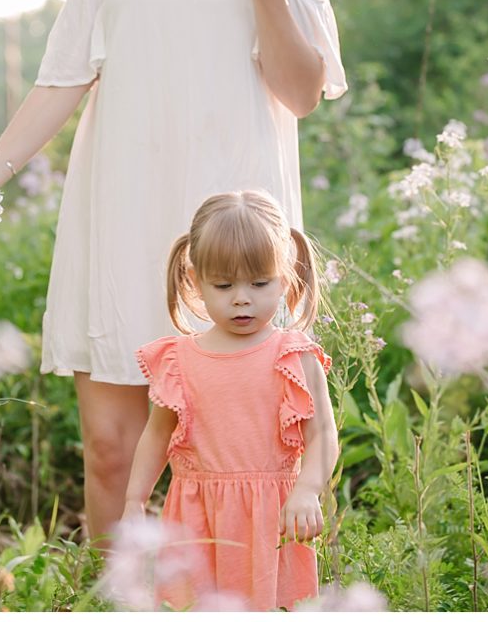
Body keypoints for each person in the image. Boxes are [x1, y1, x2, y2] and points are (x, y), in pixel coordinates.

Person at [0, 0, 344, 542]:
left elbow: (303, 93)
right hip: (122, 209)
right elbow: (63, 78)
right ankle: (117, 596)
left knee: (252, 450)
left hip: (238, 222)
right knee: (111, 450)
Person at [127, 190, 336, 612]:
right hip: (194, 519)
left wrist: (307, 490)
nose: (242, 297)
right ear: (195, 281)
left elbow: (323, 434)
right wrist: (134, 499)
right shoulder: (179, 360)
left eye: (259, 283)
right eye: (224, 285)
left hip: (271, 519)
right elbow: (156, 436)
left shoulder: (292, 355)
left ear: (285, 277)